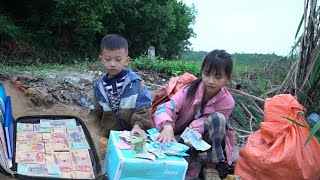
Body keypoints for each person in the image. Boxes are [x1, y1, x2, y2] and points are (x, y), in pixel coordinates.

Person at [153, 49, 235, 180]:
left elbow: (208, 120)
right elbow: (166, 108)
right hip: (178, 136)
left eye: (218, 77)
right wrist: (167, 126)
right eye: (207, 74)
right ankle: (191, 158)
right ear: (202, 71)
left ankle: (211, 167)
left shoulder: (227, 102)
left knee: (219, 120)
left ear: (227, 78)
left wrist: (195, 130)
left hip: (202, 138)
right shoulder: (188, 90)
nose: (211, 81)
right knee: (173, 167)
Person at [92, 34, 153, 140]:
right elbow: (97, 112)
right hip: (109, 136)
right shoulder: (99, 87)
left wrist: (138, 125)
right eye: (108, 59)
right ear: (101, 59)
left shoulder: (136, 84)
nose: (112, 64)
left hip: (133, 135)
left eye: (118, 60)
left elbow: (145, 109)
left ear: (126, 60)